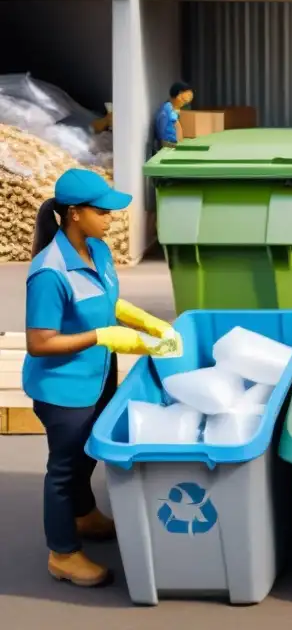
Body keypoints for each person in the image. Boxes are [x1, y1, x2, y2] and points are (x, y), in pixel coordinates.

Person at [24, 169, 174, 588]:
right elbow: (39, 343)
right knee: (64, 468)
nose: (111, 217)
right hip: (63, 389)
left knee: (89, 450)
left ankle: (84, 513)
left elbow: (109, 299)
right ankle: (63, 553)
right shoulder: (50, 271)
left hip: (99, 373)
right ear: (74, 213)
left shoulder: (99, 250)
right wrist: (102, 335)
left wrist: (144, 321)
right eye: (102, 211)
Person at [153, 81, 194, 151]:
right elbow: (162, 137)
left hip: (173, 145)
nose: (186, 102)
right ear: (179, 94)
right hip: (168, 146)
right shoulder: (167, 109)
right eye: (184, 100)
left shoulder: (173, 110)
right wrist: (177, 147)